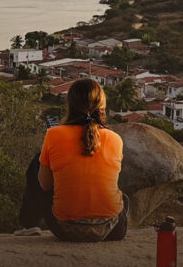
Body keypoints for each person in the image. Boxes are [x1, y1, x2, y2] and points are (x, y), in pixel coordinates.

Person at [17, 78, 129, 242]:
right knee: (122, 197)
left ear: (71, 105)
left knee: (38, 162)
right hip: (111, 230)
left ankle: (28, 224)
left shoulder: (54, 135)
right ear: (102, 107)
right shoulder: (115, 139)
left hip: (65, 229)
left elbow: (44, 185)